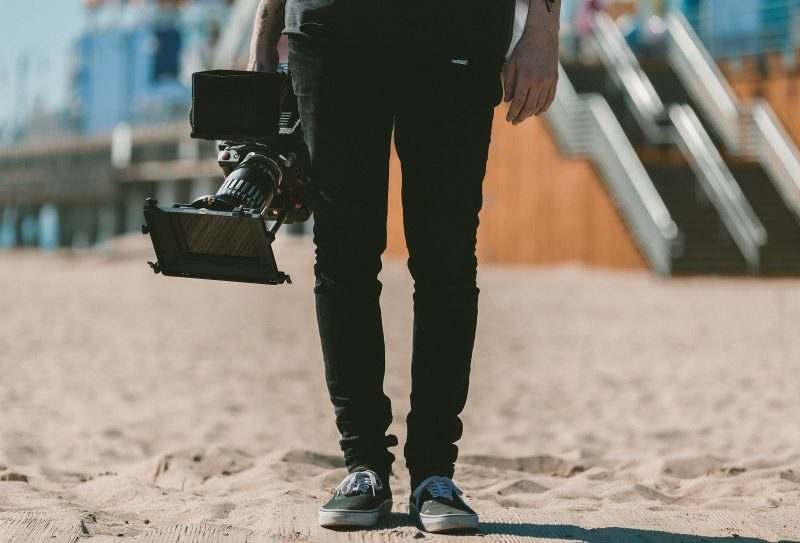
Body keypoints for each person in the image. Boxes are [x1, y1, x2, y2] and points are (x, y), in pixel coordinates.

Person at [247, 0, 560, 533]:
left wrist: (543, 30)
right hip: (332, 31)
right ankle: (364, 465)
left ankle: (434, 473)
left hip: (458, 29)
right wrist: (263, 30)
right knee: (343, 253)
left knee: (447, 258)